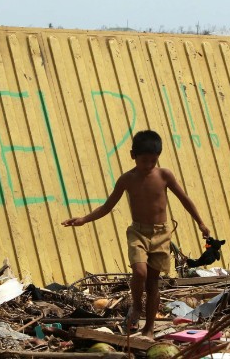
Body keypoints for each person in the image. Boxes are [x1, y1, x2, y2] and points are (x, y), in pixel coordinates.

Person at [61, 130, 210, 339]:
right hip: (138, 232)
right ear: (133, 155)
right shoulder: (126, 180)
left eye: (153, 160)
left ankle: (148, 329)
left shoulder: (164, 175)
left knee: (152, 284)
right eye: (144, 160)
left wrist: (201, 223)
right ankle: (137, 305)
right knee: (140, 272)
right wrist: (84, 219)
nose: (149, 165)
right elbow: (107, 206)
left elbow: (184, 199)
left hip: (161, 234)